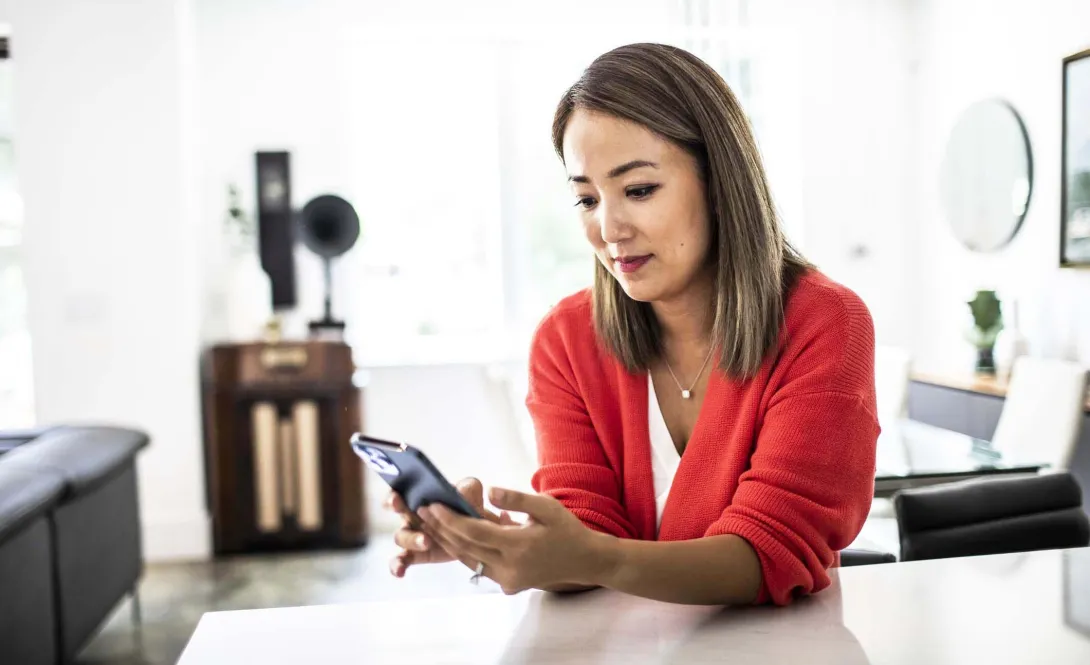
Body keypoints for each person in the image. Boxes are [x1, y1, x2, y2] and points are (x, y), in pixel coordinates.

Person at [385, 42, 879, 606]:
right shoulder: (565, 340)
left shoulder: (823, 323)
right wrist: (491, 541)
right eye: (587, 199)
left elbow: (772, 551)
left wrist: (591, 556)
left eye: (639, 190)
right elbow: (586, 530)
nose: (609, 228)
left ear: (720, 185)